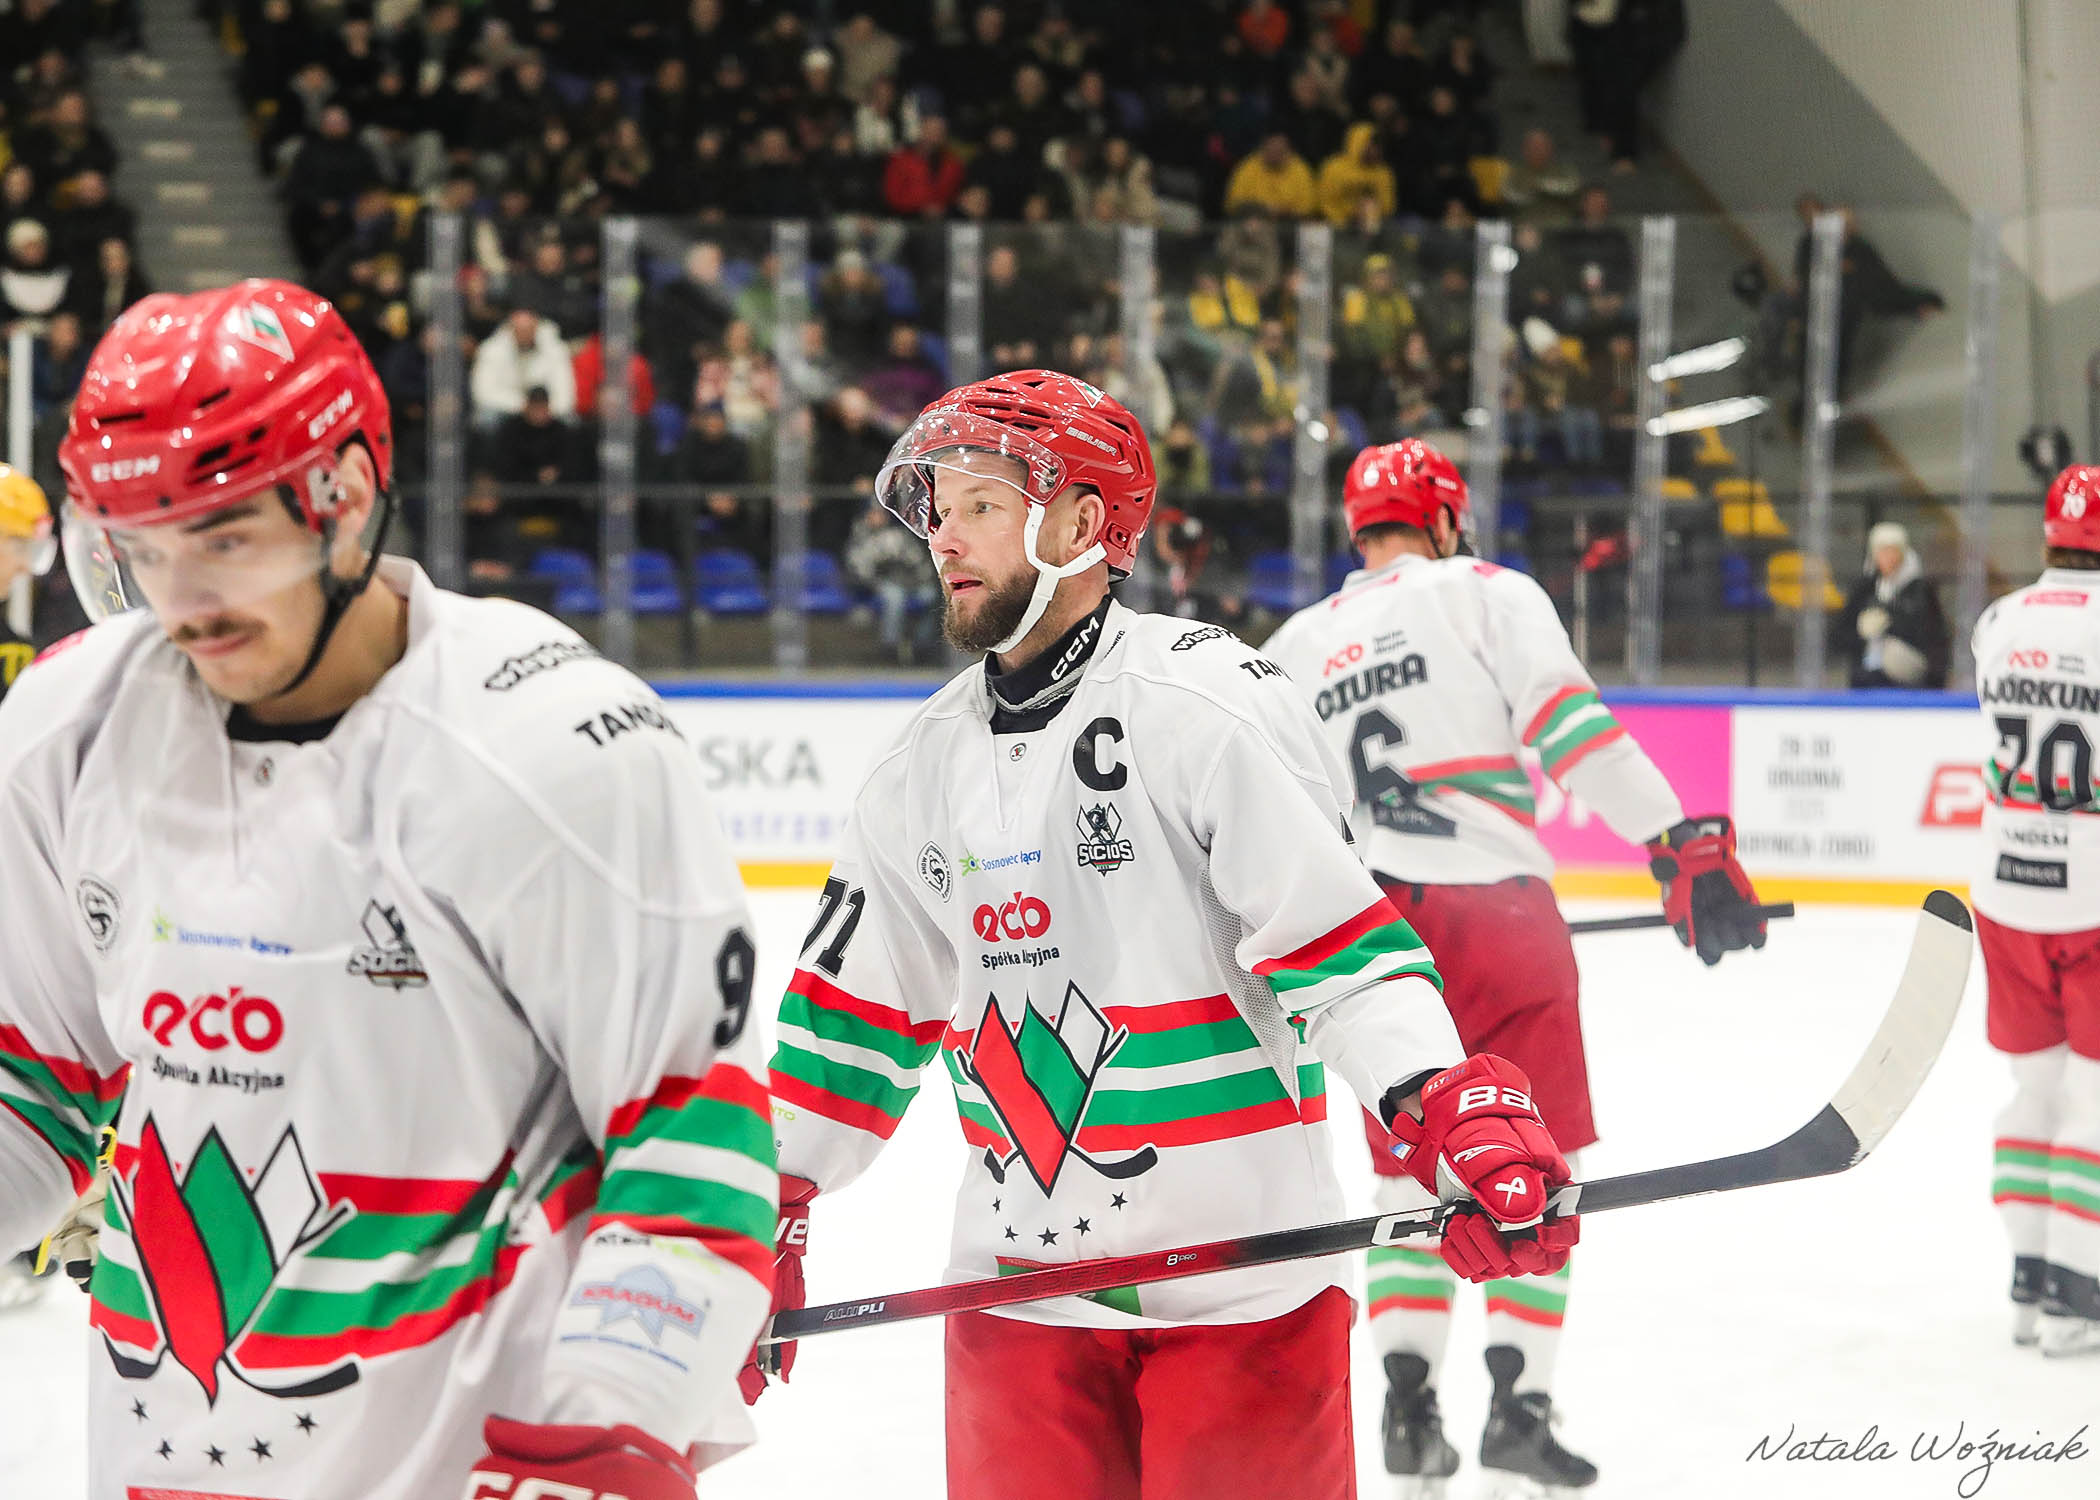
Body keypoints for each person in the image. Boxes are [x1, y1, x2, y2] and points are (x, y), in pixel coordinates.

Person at [739, 370, 1583, 1499]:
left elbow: (1337, 950)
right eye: (938, 507)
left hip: (1244, 1293)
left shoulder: (1207, 702)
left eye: (981, 503)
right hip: (1017, 1300)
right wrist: (759, 1204)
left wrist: (1440, 1100)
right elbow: (850, 1020)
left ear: (1082, 524)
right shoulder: (916, 768)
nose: (943, 534)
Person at [0, 279, 776, 1498]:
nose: (180, 604)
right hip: (161, 1452)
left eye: (223, 539)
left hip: (475, 1465)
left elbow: (688, 1135)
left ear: (346, 495)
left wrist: (607, 1431)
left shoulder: (551, 745)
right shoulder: (69, 730)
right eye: (142, 550)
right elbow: (31, 1082)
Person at [1264, 439, 1768, 1493]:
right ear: (1446, 519)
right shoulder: (1484, 590)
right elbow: (1572, 729)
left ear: (1359, 530)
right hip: (1499, 915)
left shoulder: (1295, 644)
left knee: (1408, 1170)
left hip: (1370, 931)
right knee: (1540, 1161)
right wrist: (1675, 839)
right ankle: (1518, 1408)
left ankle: (1409, 1409)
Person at [1969, 463, 2100, 1358]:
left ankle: (2027, 1276)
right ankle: (2076, 1290)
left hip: (2007, 891)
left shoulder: (2000, 620)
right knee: (2094, 1100)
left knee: (2035, 1090)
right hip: (2092, 893)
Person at [1841, 520, 1949, 688]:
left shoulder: (1921, 591)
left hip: (1909, 679)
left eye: (1893, 551)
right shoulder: (1864, 589)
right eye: (1882, 551)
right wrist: (1861, 632)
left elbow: (1933, 638)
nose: (1888, 558)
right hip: (1866, 678)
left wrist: (1890, 624)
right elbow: (1841, 634)